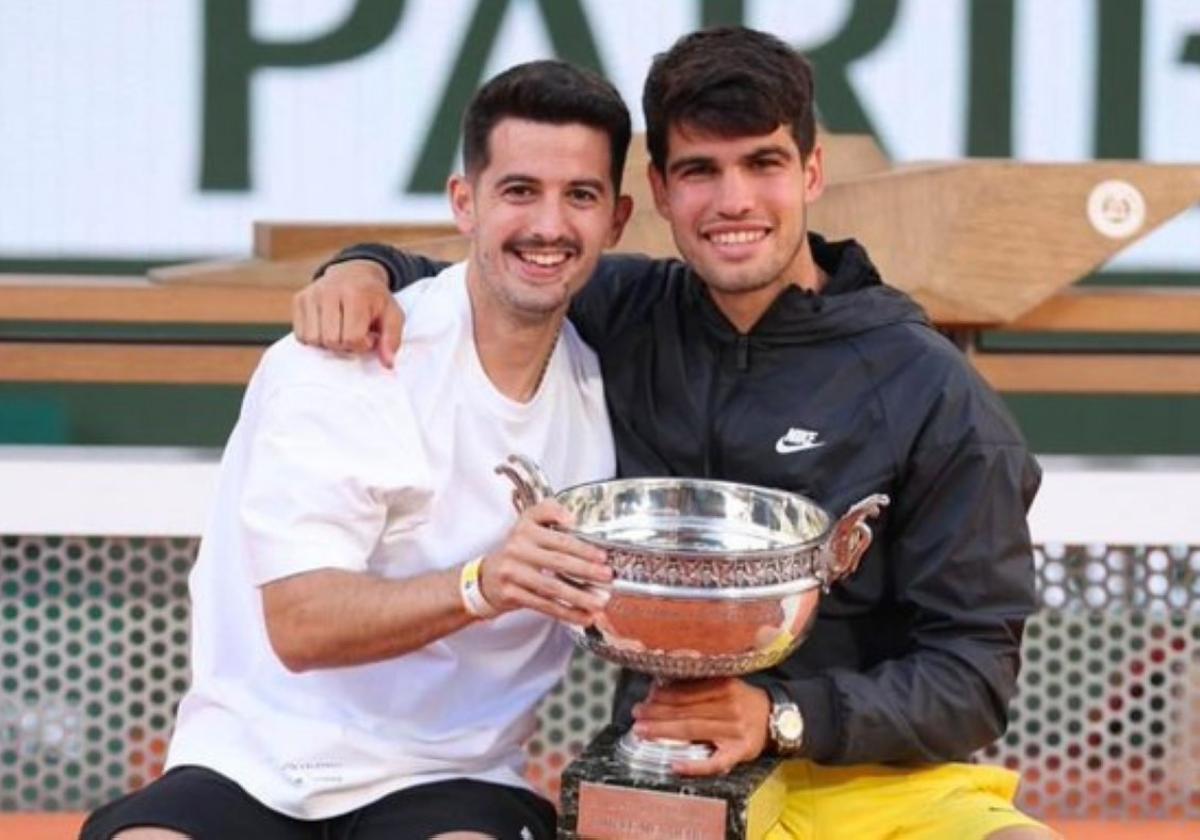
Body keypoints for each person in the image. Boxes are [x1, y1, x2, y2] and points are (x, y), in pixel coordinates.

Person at [292, 26, 1055, 840]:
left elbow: (974, 676)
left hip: (886, 790)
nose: (733, 202)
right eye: (700, 171)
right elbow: (480, 269)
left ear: (812, 172)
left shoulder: (931, 387)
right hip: (669, 774)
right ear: (657, 190)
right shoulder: (618, 312)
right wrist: (360, 270)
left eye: (762, 164)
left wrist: (778, 716)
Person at [81, 59, 635, 840]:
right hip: (255, 766)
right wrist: (483, 583)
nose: (549, 224)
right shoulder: (343, 357)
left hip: (456, 777)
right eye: (519, 191)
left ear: (617, 219)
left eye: (579, 195)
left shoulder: (616, 374)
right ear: (464, 204)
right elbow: (301, 625)